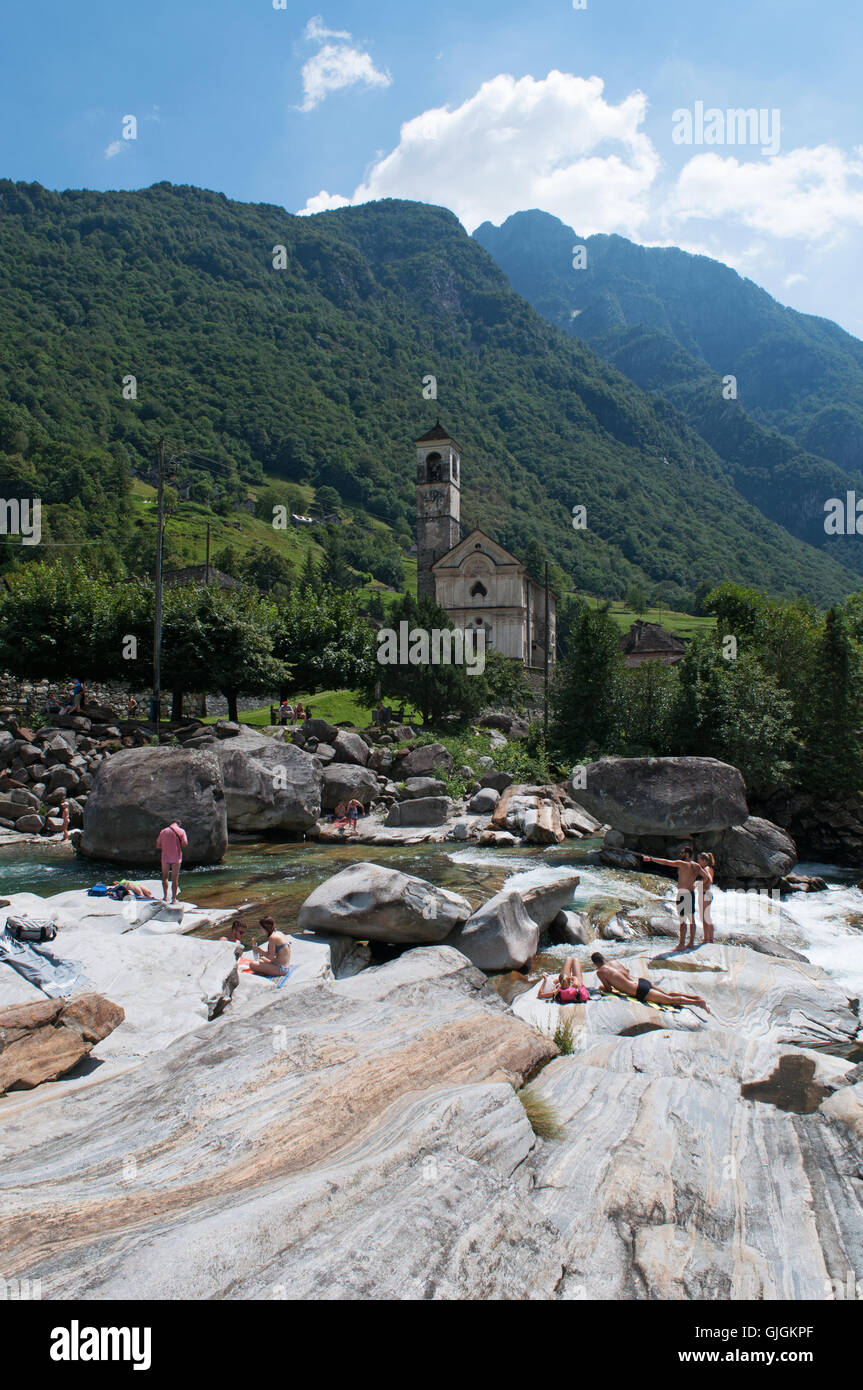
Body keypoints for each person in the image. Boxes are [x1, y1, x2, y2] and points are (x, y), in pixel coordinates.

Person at [591, 951, 710, 1012]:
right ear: (604, 958)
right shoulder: (615, 963)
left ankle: (698, 1003)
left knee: (669, 1000)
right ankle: (695, 997)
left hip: (638, 990)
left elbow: (608, 989)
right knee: (667, 994)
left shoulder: (600, 972)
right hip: (641, 981)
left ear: (596, 963)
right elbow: (626, 971)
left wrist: (602, 988)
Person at [640, 847, 701, 951]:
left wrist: (651, 859)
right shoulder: (697, 866)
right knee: (691, 919)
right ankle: (691, 943)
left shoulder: (682, 864)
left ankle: (681, 944)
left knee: (683, 920)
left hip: (682, 894)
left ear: (687, 854)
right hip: (691, 893)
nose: (680, 854)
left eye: (682, 852)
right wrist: (697, 884)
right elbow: (707, 877)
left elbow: (665, 862)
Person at [156, 821, 187, 904]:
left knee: (165, 877)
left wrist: (166, 846)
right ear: (179, 824)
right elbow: (184, 843)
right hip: (176, 857)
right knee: (174, 878)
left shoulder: (163, 831)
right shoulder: (181, 831)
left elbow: (158, 845)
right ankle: (173, 899)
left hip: (165, 857)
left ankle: (165, 897)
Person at [696, 852, 716, 945]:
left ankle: (706, 939)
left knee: (704, 917)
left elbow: (709, 879)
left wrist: (700, 883)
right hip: (708, 893)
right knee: (707, 916)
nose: (698, 861)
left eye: (699, 859)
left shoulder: (706, 868)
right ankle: (710, 938)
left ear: (704, 860)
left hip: (705, 893)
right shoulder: (710, 868)